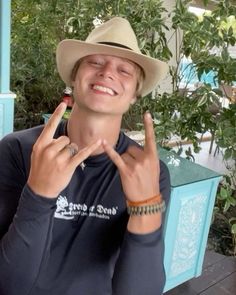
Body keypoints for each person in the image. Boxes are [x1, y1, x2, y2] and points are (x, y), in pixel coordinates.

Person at [0, 17, 170, 295]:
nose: (107, 73)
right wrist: (38, 195)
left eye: (125, 69)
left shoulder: (149, 172)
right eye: (95, 62)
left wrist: (145, 207)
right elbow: (8, 285)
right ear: (73, 78)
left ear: (134, 96)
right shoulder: (17, 150)